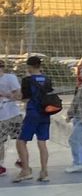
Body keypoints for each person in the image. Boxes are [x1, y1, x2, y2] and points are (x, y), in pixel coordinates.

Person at [14, 54, 55, 182]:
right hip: (45, 114)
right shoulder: (47, 79)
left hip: (33, 113)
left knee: (21, 141)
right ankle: (44, 171)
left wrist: (14, 96)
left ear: (29, 67)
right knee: (42, 143)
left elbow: (25, 98)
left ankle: (25, 170)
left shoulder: (27, 80)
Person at [0, 61, 21, 176]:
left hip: (12, 114)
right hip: (1, 116)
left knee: (19, 138)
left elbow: (18, 95)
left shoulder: (10, 78)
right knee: (0, 141)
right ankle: (1, 165)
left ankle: (21, 159)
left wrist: (6, 95)